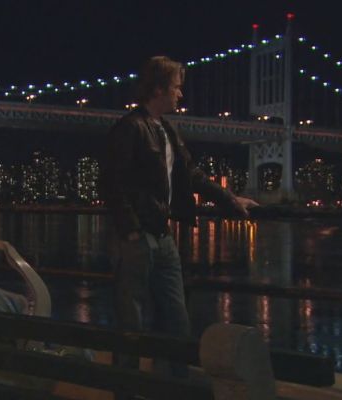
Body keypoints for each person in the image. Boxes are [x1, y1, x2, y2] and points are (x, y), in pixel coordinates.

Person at [102, 56, 259, 379]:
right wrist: (131, 230)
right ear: (158, 89)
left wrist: (230, 199)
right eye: (176, 87)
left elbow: (192, 174)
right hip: (138, 239)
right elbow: (110, 183)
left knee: (176, 317)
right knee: (131, 324)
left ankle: (175, 385)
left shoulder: (167, 130)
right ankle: (126, 389)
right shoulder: (131, 127)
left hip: (163, 237)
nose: (180, 94)